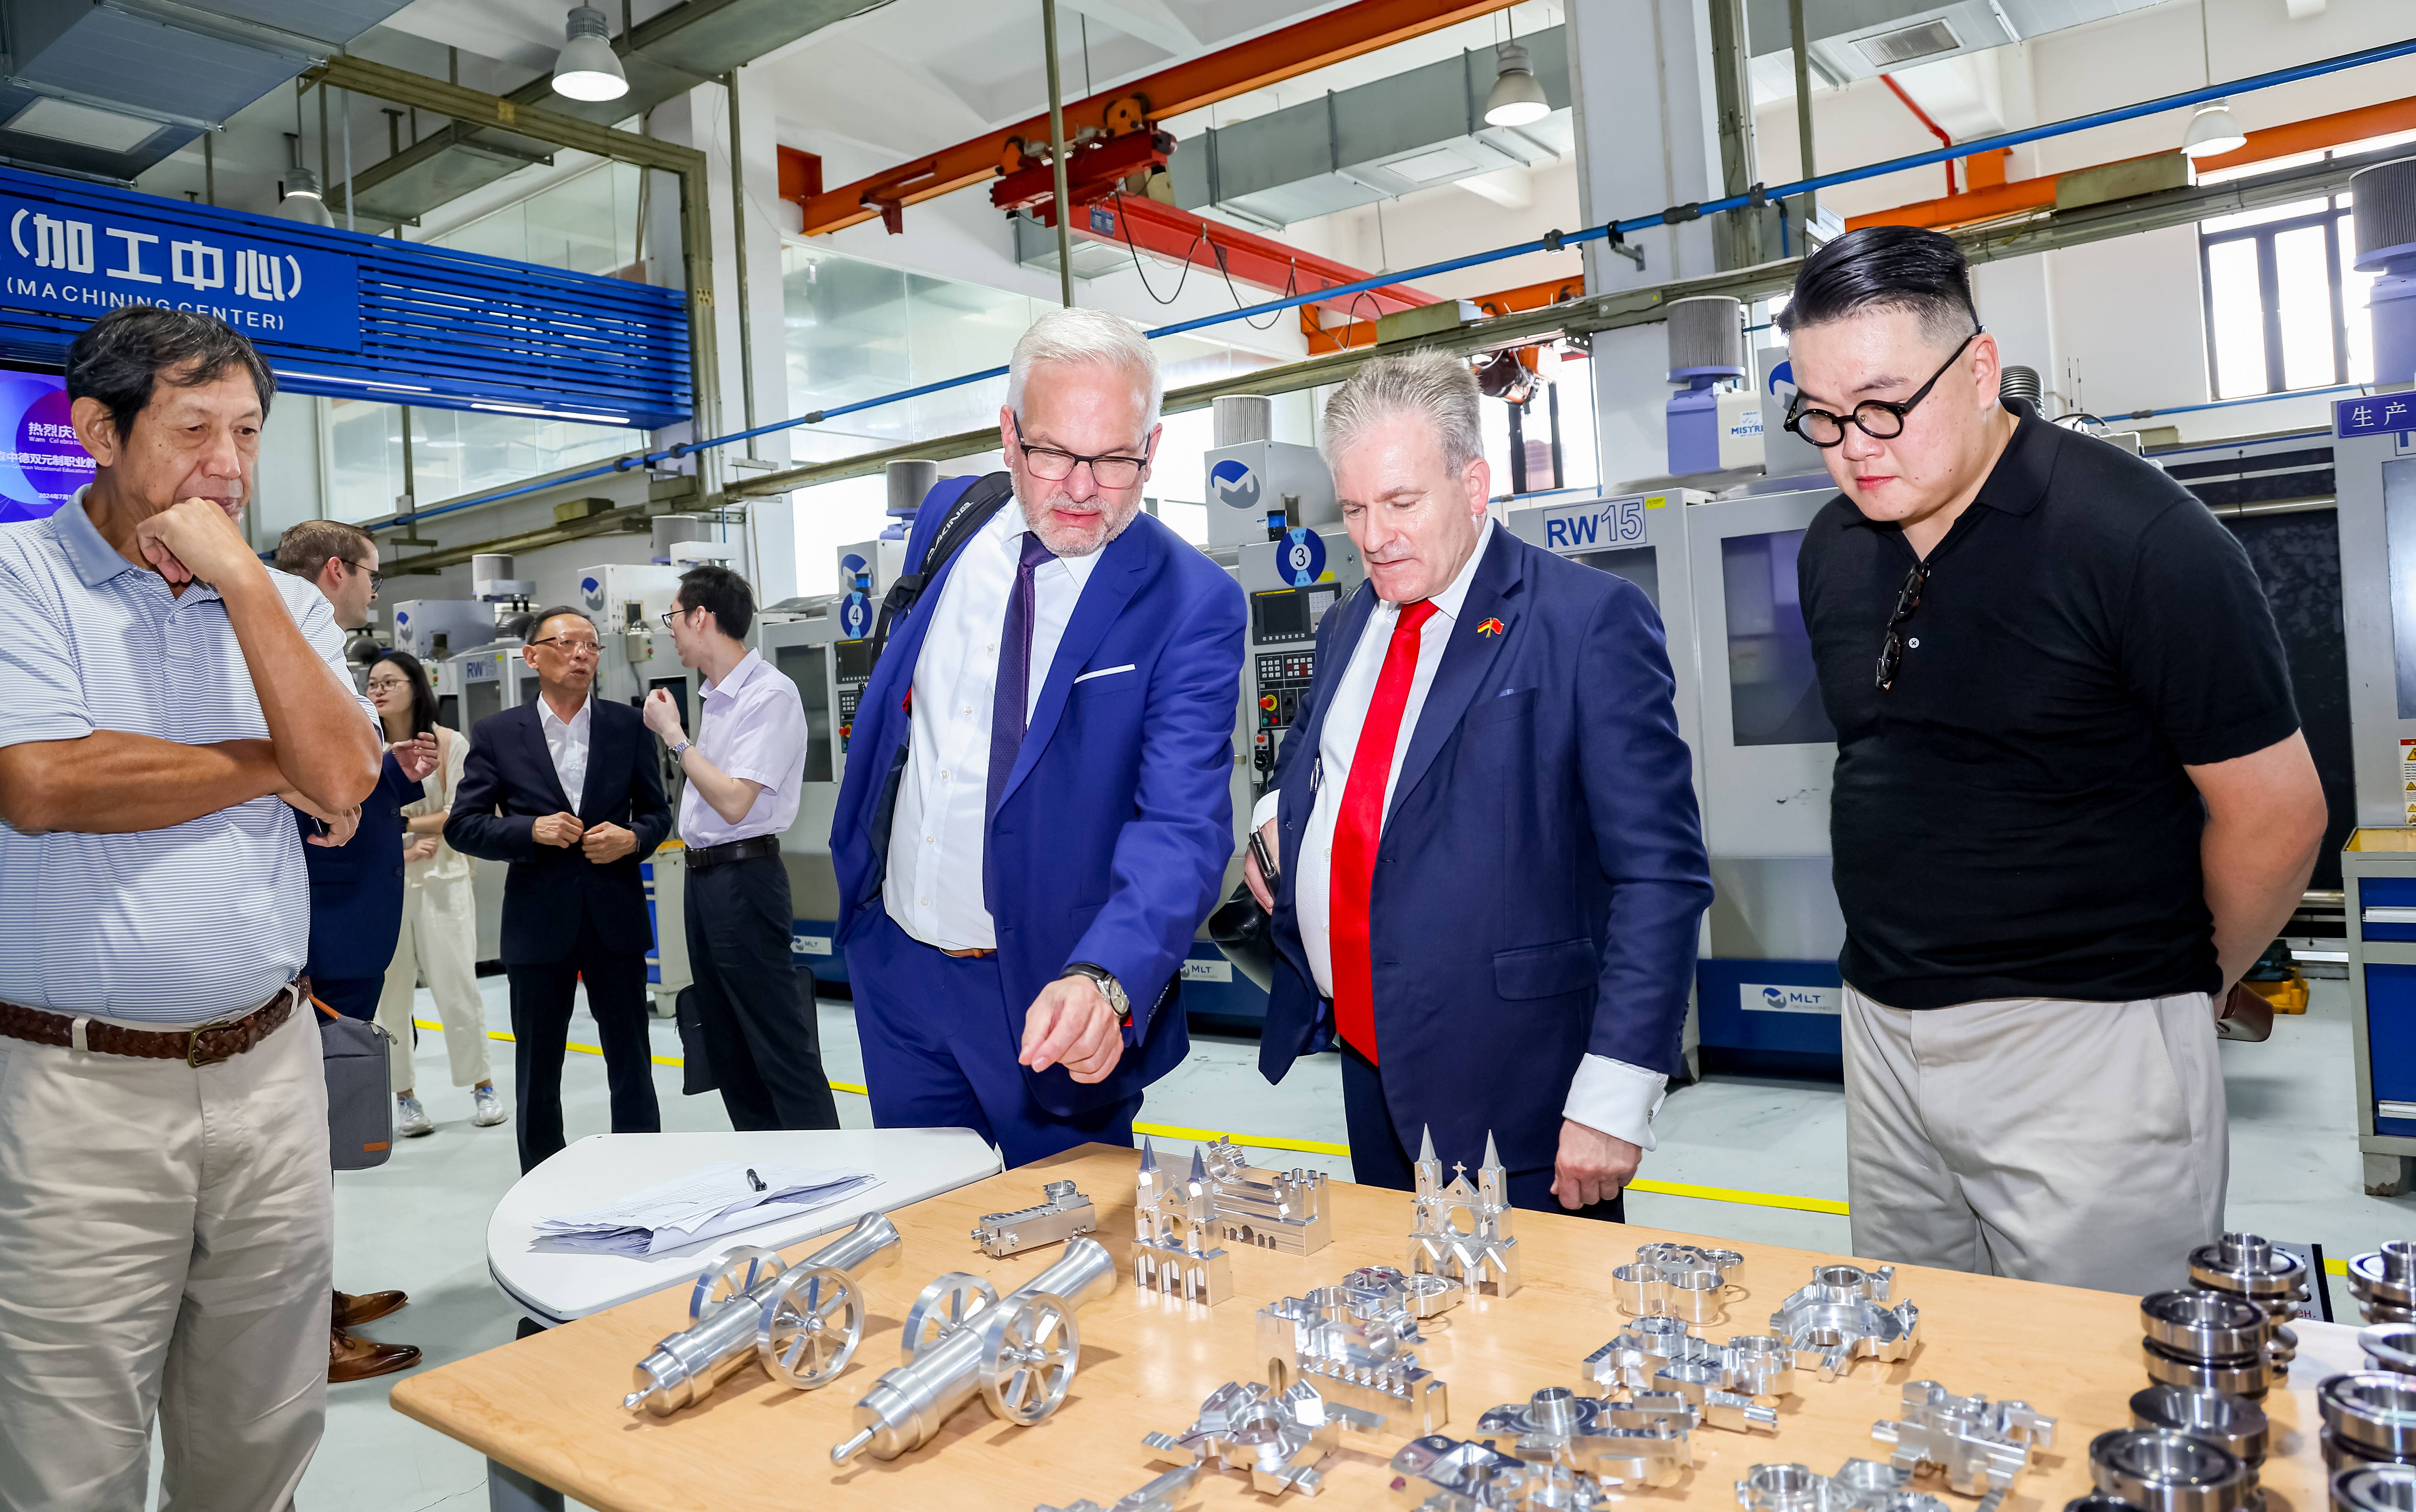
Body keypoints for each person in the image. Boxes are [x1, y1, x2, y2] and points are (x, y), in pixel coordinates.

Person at [1783, 226, 2327, 1294]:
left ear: (1979, 371)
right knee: (1921, 1364)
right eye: (1820, 415)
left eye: (1885, 405)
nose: (1855, 445)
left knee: (2094, 1381)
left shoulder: (2138, 541)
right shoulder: (1833, 547)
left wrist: (2179, 988)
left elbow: (2276, 814)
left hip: (2091, 1043)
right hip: (1884, 1032)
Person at [0, 307, 381, 1509]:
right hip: (76, 1097)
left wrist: (242, 584)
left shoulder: (283, 600)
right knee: (71, 1453)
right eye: (195, 430)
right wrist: (273, 761)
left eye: (250, 433)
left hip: (270, 1077)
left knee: (259, 1433)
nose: (228, 464)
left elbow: (352, 777)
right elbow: (45, 782)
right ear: (98, 431)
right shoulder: (21, 582)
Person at [1243, 351, 1710, 1218]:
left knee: (1526, 1345)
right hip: (1370, 1065)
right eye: (1354, 509)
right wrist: (1279, 817)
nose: (1374, 535)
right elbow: (1308, 750)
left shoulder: (1584, 622)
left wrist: (1613, 1094)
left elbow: (1662, 875)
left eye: (1401, 502)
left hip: (1520, 1090)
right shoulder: (1354, 619)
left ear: (1474, 484)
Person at [830, 307, 1246, 1169]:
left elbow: (1182, 825)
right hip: (898, 970)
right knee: (920, 1243)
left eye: (1117, 458)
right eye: (1054, 452)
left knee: (1071, 1259)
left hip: (1049, 994)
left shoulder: (1190, 602)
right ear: (1009, 436)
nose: (1084, 488)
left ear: (1153, 446)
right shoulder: (953, 517)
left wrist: (1107, 978)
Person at [272, 521, 437, 1384]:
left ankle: (318, 1296)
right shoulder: (289, 653)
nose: (376, 589)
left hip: (352, 931)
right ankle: (306, 1333)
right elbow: (292, 790)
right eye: (372, 573)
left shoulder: (326, 658)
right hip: (319, 940)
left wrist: (395, 775)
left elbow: (343, 782)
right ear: (336, 572)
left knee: (324, 1127)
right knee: (301, 1141)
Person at [447, 606, 670, 1174]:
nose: (582, 656)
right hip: (538, 924)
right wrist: (530, 831)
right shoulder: (499, 734)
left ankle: (643, 1176)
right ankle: (541, 1186)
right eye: (568, 643)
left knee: (632, 1063)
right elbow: (464, 824)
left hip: (614, 918)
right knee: (538, 1069)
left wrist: (632, 839)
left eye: (592, 647)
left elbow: (657, 814)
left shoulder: (628, 725)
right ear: (532, 656)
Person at [642, 565, 839, 1132]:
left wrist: (674, 737)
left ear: (701, 616)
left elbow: (733, 802)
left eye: (673, 618)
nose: (670, 632)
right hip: (706, 881)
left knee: (776, 1037)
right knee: (725, 1040)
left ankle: (830, 1172)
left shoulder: (768, 694)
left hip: (745, 879)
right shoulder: (719, 699)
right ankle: (767, 1166)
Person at [365, 652, 505, 1136]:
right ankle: (404, 1096)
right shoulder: (362, 746)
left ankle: (482, 1085)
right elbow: (351, 817)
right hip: (385, 884)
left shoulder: (448, 743)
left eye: (390, 681)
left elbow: (458, 814)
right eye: (372, 683)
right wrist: (396, 846)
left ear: (416, 686)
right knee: (391, 995)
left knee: (457, 988)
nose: (379, 690)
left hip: (443, 880)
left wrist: (400, 824)